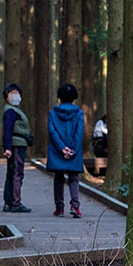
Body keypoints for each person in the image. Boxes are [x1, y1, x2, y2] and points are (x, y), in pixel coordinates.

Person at [45, 83, 86, 218]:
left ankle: (59, 207)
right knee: (74, 178)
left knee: (58, 178)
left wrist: (62, 148)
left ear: (59, 97)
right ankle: (75, 205)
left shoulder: (52, 113)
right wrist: (72, 149)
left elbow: (52, 132)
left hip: (57, 151)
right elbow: (79, 133)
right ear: (74, 97)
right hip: (74, 151)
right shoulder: (79, 113)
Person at [0, 84, 32, 212]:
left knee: (12, 173)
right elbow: (7, 130)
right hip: (16, 145)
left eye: (17, 94)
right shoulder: (10, 111)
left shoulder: (14, 110)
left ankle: (9, 202)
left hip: (18, 144)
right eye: (12, 94)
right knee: (17, 173)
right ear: (6, 97)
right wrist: (8, 148)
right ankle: (15, 203)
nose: (15, 97)